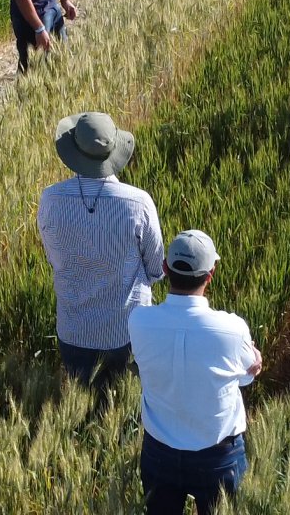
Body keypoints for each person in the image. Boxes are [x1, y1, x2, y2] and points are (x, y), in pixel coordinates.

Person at [129, 230, 263, 514]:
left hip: (159, 452)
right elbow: (247, 375)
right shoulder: (232, 328)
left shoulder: (139, 320)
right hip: (218, 457)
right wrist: (254, 365)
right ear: (211, 274)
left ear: (165, 268)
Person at [37, 111, 163, 386]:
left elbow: (52, 256)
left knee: (80, 411)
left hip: (74, 329)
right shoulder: (138, 202)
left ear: (74, 152)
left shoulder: (50, 199)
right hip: (128, 329)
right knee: (123, 410)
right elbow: (155, 268)